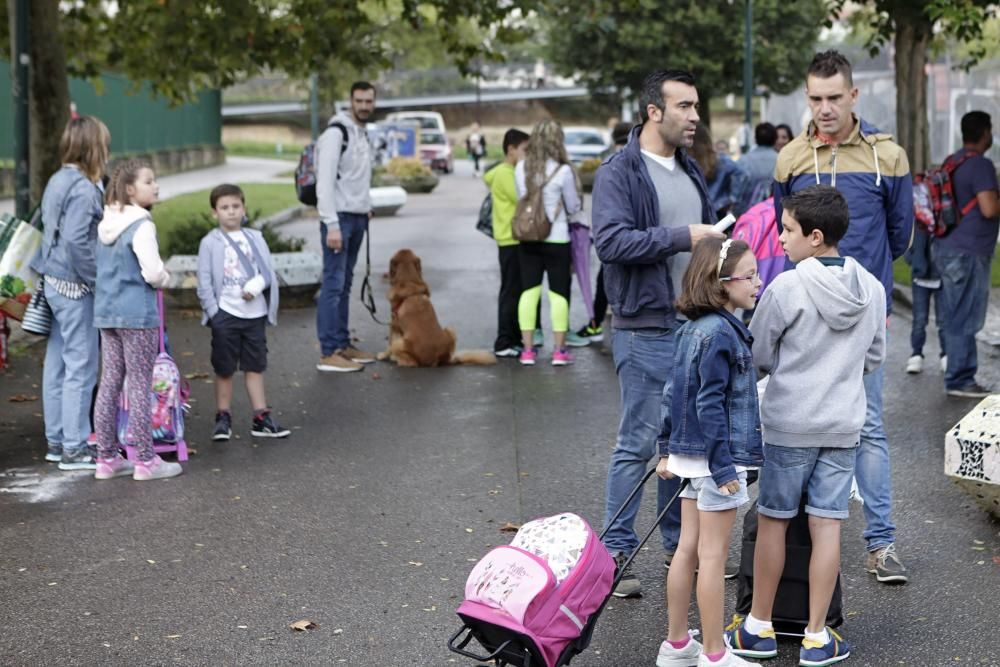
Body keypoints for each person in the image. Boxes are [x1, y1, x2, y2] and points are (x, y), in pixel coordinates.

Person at [727, 185, 886, 666]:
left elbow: (759, 353)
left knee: (773, 521)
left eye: (788, 230)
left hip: (788, 426)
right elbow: (874, 357)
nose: (779, 239)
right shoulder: (873, 289)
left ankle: (758, 627)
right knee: (828, 527)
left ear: (815, 236)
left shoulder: (787, 287)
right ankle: (818, 637)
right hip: (841, 426)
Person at [773, 49, 912, 585]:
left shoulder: (888, 156)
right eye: (815, 98)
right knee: (797, 424)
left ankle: (881, 544)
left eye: (835, 97)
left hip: (859, 315)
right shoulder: (789, 158)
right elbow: (786, 229)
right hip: (802, 315)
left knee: (868, 426)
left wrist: (868, 285)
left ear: (854, 96)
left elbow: (899, 235)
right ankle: (801, 544)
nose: (825, 108)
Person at [592, 69, 723, 598]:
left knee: (681, 447)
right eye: (685, 106)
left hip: (694, 326)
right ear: (654, 111)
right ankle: (614, 557)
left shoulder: (690, 170)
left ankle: (677, 551)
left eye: (696, 106)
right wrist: (682, 236)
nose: (695, 117)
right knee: (638, 444)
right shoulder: (619, 172)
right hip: (645, 327)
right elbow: (611, 242)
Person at [654, 238, 763, 667]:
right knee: (713, 558)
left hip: (689, 457)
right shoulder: (722, 333)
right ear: (721, 283)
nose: (758, 282)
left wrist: (666, 450)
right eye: (749, 275)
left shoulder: (690, 330)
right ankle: (716, 655)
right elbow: (710, 403)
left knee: (687, 550)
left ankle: (678, 645)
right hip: (717, 460)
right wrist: (722, 468)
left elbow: (672, 394)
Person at [91, 160, 182, 481]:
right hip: (137, 315)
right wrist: (165, 277)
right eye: (149, 181)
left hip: (106, 313)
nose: (155, 186)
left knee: (111, 381)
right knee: (141, 384)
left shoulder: (107, 223)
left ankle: (106, 457)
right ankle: (146, 459)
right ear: (130, 189)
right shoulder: (142, 225)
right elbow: (153, 272)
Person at [31, 116, 111, 470]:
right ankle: (75, 448)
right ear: (94, 147)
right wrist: (98, 280)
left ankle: (58, 440)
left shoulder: (57, 179)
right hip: (76, 286)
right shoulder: (83, 187)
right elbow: (79, 241)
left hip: (52, 280)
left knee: (58, 364)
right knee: (83, 365)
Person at [197, 183, 290, 441]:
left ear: (243, 208)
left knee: (255, 365)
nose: (231, 212)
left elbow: (268, 272)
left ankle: (261, 417)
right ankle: (222, 416)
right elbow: (204, 280)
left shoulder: (255, 238)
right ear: (215, 212)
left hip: (254, 314)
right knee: (224, 367)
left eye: (235, 206)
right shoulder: (210, 242)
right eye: (224, 208)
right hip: (225, 313)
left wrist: (257, 285)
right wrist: (214, 312)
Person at [933, 111, 1000, 397]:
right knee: (966, 315)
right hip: (968, 251)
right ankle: (960, 379)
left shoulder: (953, 160)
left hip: (948, 246)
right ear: (985, 132)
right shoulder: (981, 165)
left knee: (954, 313)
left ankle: (957, 372)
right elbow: (989, 208)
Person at [315, 81, 377, 373]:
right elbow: (324, 183)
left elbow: (355, 177)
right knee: (333, 283)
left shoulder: (362, 133)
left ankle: (342, 344)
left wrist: (366, 206)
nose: (364, 106)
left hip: (358, 216)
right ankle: (329, 351)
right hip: (338, 219)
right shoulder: (335, 134)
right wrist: (332, 224)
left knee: (345, 284)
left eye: (369, 101)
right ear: (350, 101)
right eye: (360, 100)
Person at [514, 120, 582, 366]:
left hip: (528, 236)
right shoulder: (563, 171)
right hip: (557, 237)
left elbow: (522, 198)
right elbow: (574, 207)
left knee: (529, 292)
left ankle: (528, 351)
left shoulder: (521, 168)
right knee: (558, 294)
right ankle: (559, 351)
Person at [576, 121, 632, 342]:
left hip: (613, 231)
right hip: (635, 230)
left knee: (605, 279)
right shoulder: (642, 158)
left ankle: (595, 323)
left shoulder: (608, 161)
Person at [484, 129, 531, 357]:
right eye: (524, 150)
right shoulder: (505, 173)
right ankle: (504, 341)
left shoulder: (509, 171)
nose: (527, 155)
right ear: (510, 149)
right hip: (511, 238)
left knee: (515, 291)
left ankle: (512, 338)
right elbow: (523, 197)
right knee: (511, 292)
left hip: (511, 238)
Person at [904, 224, 946, 374]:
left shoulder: (942, 218)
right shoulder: (918, 221)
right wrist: (913, 260)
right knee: (919, 320)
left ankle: (945, 355)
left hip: (941, 277)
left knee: (943, 321)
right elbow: (906, 241)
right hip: (920, 278)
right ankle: (916, 355)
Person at [691, 124, 747, 219]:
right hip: (718, 210)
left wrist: (732, 199)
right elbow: (742, 174)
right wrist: (732, 199)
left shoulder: (688, 161)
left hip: (698, 211)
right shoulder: (720, 160)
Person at [737, 122, 778, 214]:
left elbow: (737, 190)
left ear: (755, 139)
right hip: (773, 214)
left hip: (747, 213)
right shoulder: (781, 160)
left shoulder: (743, 160)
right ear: (775, 139)